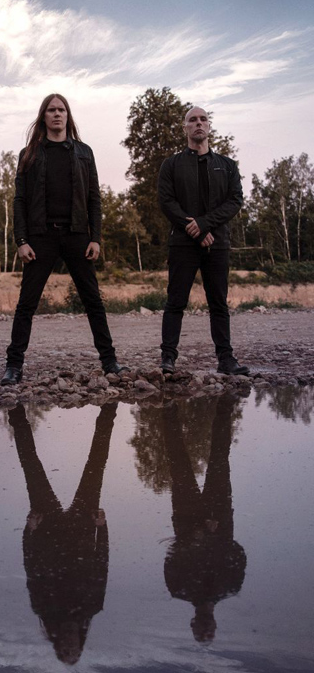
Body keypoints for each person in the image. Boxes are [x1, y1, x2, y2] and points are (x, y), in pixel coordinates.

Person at [1, 93, 127, 386]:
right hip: (40, 236)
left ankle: (110, 361)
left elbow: (95, 198)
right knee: (26, 304)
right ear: (43, 116)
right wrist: (21, 240)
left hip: (77, 235)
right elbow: (19, 200)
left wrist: (96, 238)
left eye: (61, 110)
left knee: (93, 300)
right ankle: (13, 366)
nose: (57, 114)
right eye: (51, 110)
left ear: (68, 116)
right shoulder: (29, 154)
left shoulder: (84, 152)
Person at [9, 402, 116, 664]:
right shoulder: (92, 606)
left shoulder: (42, 607)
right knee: (96, 465)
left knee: (31, 467)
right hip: (83, 528)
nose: (70, 646)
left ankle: (15, 409)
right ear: (80, 643)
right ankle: (110, 407)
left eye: (65, 651)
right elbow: (102, 563)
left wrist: (30, 530)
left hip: (47, 529)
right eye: (75, 651)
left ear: (57, 645)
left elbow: (31, 565)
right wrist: (102, 528)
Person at [157, 106, 249, 375]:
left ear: (209, 126)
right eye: (192, 120)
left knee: (218, 303)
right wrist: (194, 229)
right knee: (175, 301)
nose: (198, 123)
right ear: (185, 127)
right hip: (183, 243)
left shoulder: (227, 165)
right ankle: (168, 358)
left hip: (217, 244)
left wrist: (205, 224)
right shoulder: (171, 164)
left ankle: (226, 359)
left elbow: (235, 201)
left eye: (203, 119)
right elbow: (166, 201)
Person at [162, 395, 247, 643]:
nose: (205, 626)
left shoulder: (179, 589)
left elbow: (172, 555)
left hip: (186, 517)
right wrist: (216, 536)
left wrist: (196, 535)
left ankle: (168, 404)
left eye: (200, 630)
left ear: (192, 624)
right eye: (209, 631)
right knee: (219, 456)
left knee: (178, 460)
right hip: (219, 516)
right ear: (215, 625)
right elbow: (238, 553)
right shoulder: (230, 586)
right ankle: (225, 403)